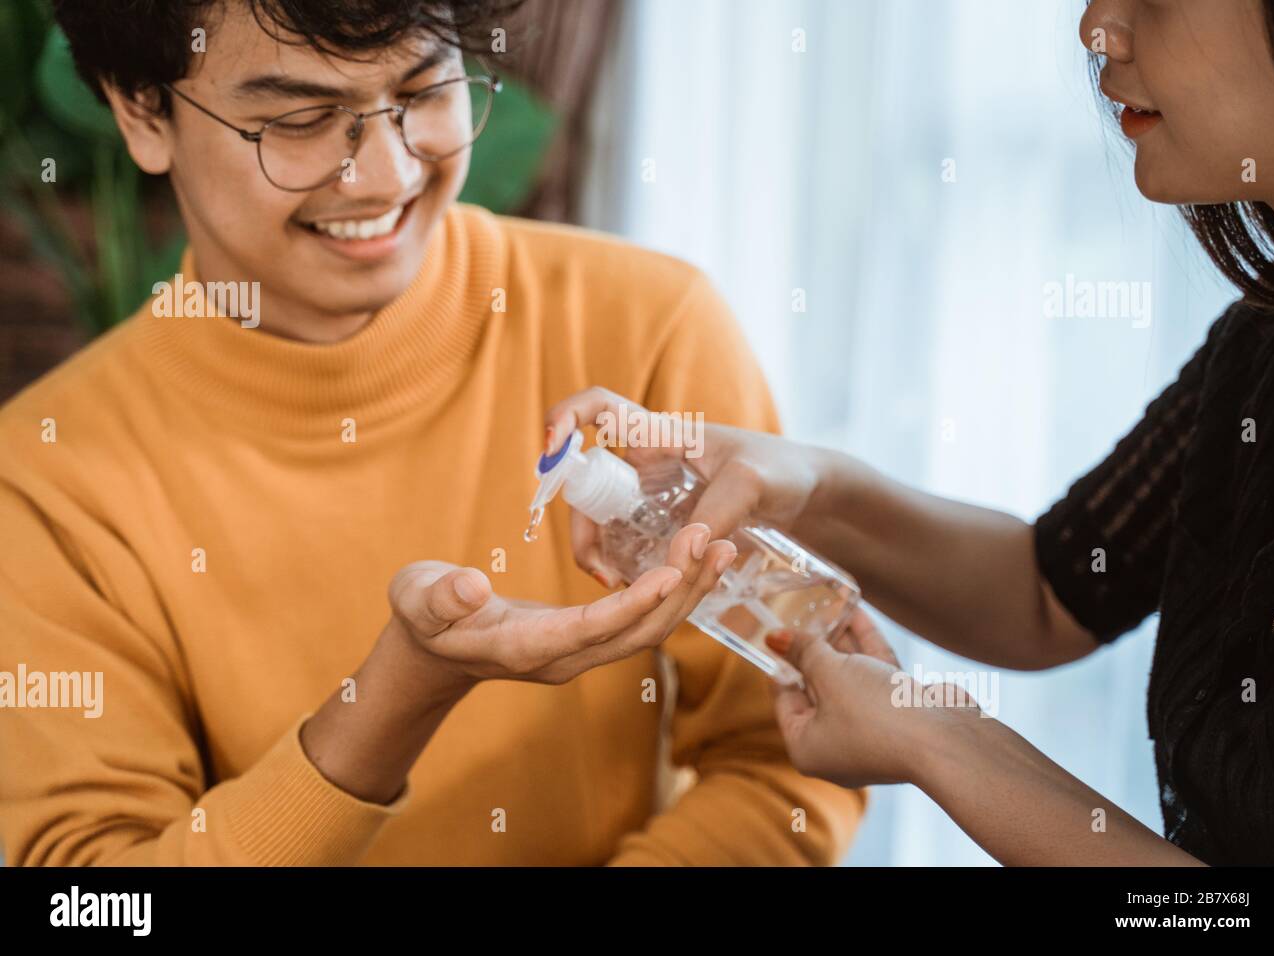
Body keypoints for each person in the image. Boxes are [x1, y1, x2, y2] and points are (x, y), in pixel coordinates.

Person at [0, 0, 865, 866]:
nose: (384, 174)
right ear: (141, 111)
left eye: (424, 91)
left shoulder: (647, 327)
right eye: (301, 120)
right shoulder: (41, 475)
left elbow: (790, 757)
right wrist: (391, 704)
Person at [545, 0, 1274, 866]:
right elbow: (1048, 592)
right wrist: (805, 487)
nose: (1096, 29)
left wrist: (938, 741)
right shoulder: (1270, 336)